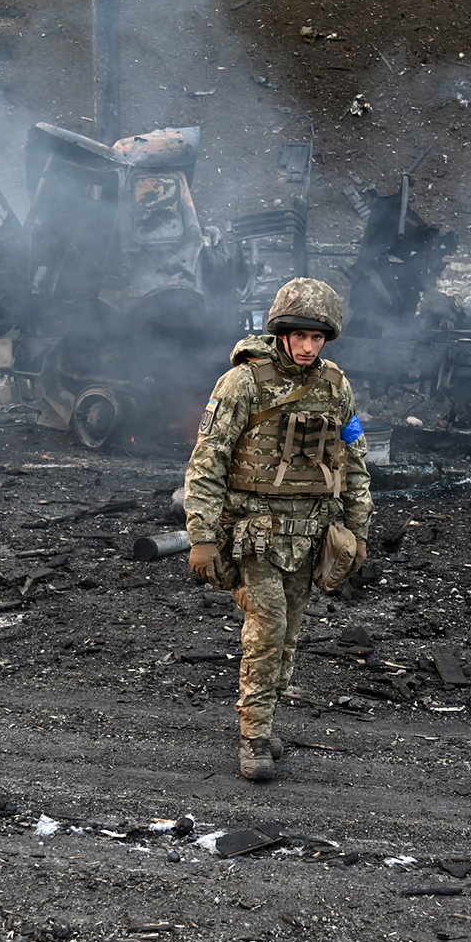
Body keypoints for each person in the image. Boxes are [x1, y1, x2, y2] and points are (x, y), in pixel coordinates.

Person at [182, 278, 372, 781]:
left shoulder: (335, 386)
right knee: (265, 633)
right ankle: (254, 738)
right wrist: (203, 536)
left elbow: (353, 461)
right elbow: (207, 462)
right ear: (283, 332)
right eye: (301, 336)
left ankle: (264, 719)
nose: (309, 347)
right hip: (254, 536)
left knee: (289, 636)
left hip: (310, 537)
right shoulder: (242, 384)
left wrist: (358, 530)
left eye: (318, 338)